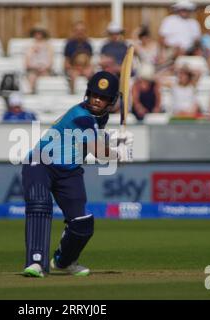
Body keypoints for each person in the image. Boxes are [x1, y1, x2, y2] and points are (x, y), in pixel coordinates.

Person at [21, 71, 134, 278]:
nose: (97, 100)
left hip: (69, 170)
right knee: (40, 205)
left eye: (103, 98)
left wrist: (117, 144)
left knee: (82, 223)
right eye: (94, 95)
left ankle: (64, 262)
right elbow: (97, 151)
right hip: (40, 163)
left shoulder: (100, 117)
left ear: (110, 101)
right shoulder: (81, 116)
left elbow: (99, 143)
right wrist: (119, 154)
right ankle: (36, 262)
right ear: (87, 94)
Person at [63, 21, 94, 94]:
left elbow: (89, 60)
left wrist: (86, 68)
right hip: (73, 68)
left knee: (90, 74)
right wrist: (73, 68)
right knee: (72, 76)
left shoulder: (88, 44)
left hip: (85, 67)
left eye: (82, 30)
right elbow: (66, 61)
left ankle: (91, 94)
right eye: (77, 30)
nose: (79, 32)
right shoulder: (69, 44)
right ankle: (72, 94)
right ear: (74, 31)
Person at [25, 25, 54, 94]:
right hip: (33, 70)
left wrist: (44, 68)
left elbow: (50, 61)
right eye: (37, 33)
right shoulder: (29, 46)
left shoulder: (49, 46)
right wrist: (35, 67)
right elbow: (27, 62)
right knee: (32, 77)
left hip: (45, 70)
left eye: (40, 33)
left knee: (48, 80)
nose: (38, 35)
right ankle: (31, 94)